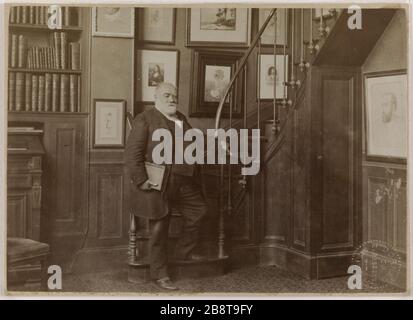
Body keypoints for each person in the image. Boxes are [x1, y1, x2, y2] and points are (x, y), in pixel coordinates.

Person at [124, 82, 208, 291]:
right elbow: (132, 154)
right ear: (156, 98)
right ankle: (160, 274)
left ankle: (181, 253)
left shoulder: (181, 119)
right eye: (167, 95)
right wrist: (142, 180)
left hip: (183, 181)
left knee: (200, 211)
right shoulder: (144, 119)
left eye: (174, 96)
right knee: (160, 227)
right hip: (156, 183)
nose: (172, 99)